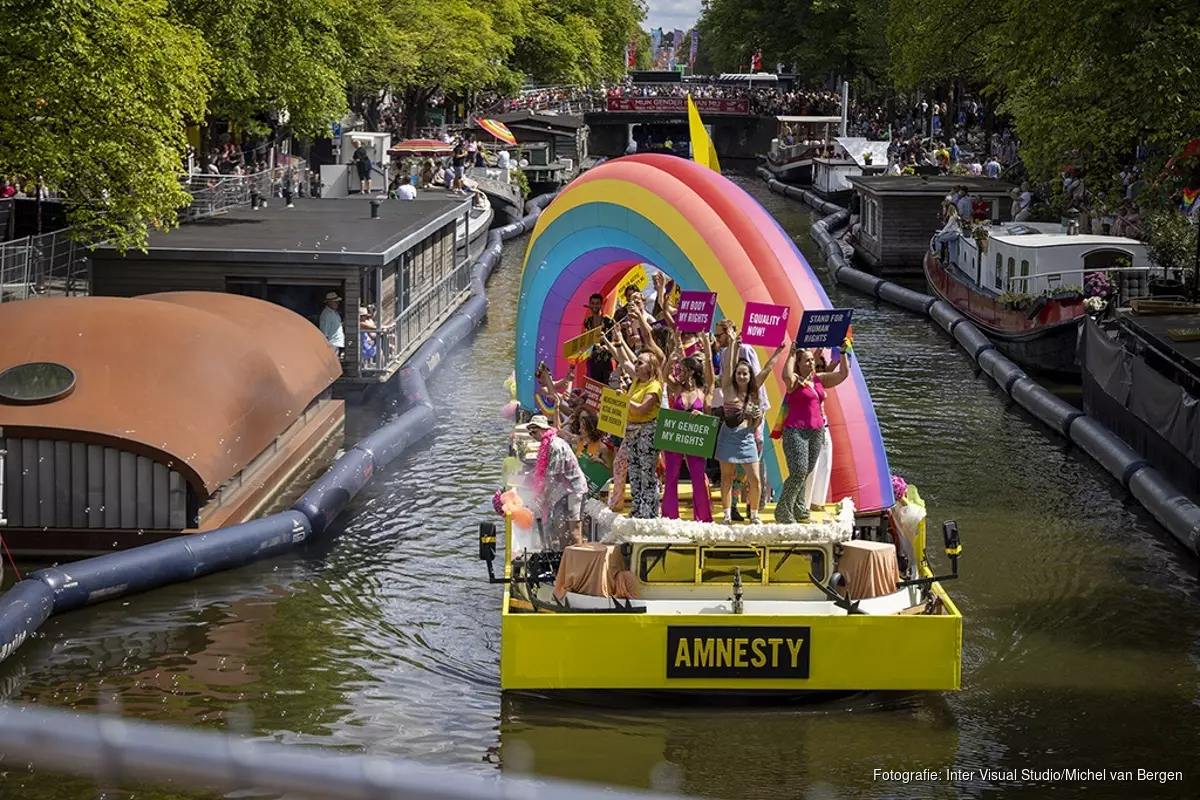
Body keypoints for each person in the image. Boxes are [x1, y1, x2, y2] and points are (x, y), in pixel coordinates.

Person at [775, 340, 851, 523]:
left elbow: (842, 374)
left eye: (812, 360)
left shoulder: (818, 379)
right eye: (807, 360)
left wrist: (842, 352)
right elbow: (786, 376)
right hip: (795, 431)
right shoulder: (795, 382)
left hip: (816, 432)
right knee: (799, 471)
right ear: (798, 364)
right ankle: (783, 511)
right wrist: (791, 354)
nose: (811, 362)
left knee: (807, 470)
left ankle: (799, 508)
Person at [716, 330, 785, 524]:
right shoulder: (728, 388)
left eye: (745, 373)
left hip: (747, 437)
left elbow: (767, 369)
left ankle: (754, 514)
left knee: (755, 478)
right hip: (728, 436)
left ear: (749, 375)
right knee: (727, 478)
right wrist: (733, 345)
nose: (741, 376)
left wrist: (778, 352)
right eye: (739, 373)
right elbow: (728, 366)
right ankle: (727, 515)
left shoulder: (754, 390)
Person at [609, 329, 663, 518]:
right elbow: (623, 360)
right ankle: (637, 509)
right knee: (634, 470)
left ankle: (649, 512)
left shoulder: (654, 385)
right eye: (637, 362)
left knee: (646, 471)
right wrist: (616, 340)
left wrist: (624, 398)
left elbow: (641, 409)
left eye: (640, 363)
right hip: (631, 430)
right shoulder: (637, 381)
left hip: (647, 430)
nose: (636, 365)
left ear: (650, 367)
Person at [662, 332, 715, 523]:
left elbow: (709, 369)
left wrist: (706, 344)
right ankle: (669, 516)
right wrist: (671, 358)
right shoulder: (678, 388)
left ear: (692, 371)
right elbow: (664, 375)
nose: (679, 373)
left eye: (683, 370)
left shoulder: (704, 390)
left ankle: (703, 518)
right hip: (676, 437)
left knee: (698, 477)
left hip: (695, 437)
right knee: (671, 476)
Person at [526, 415, 588, 549]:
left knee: (574, 531)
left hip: (574, 490)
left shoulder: (555, 446)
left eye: (534, 432)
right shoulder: (546, 445)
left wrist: (541, 498)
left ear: (543, 430)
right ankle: (563, 557)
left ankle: (578, 559)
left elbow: (551, 477)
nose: (532, 436)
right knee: (561, 528)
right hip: (562, 490)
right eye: (530, 433)